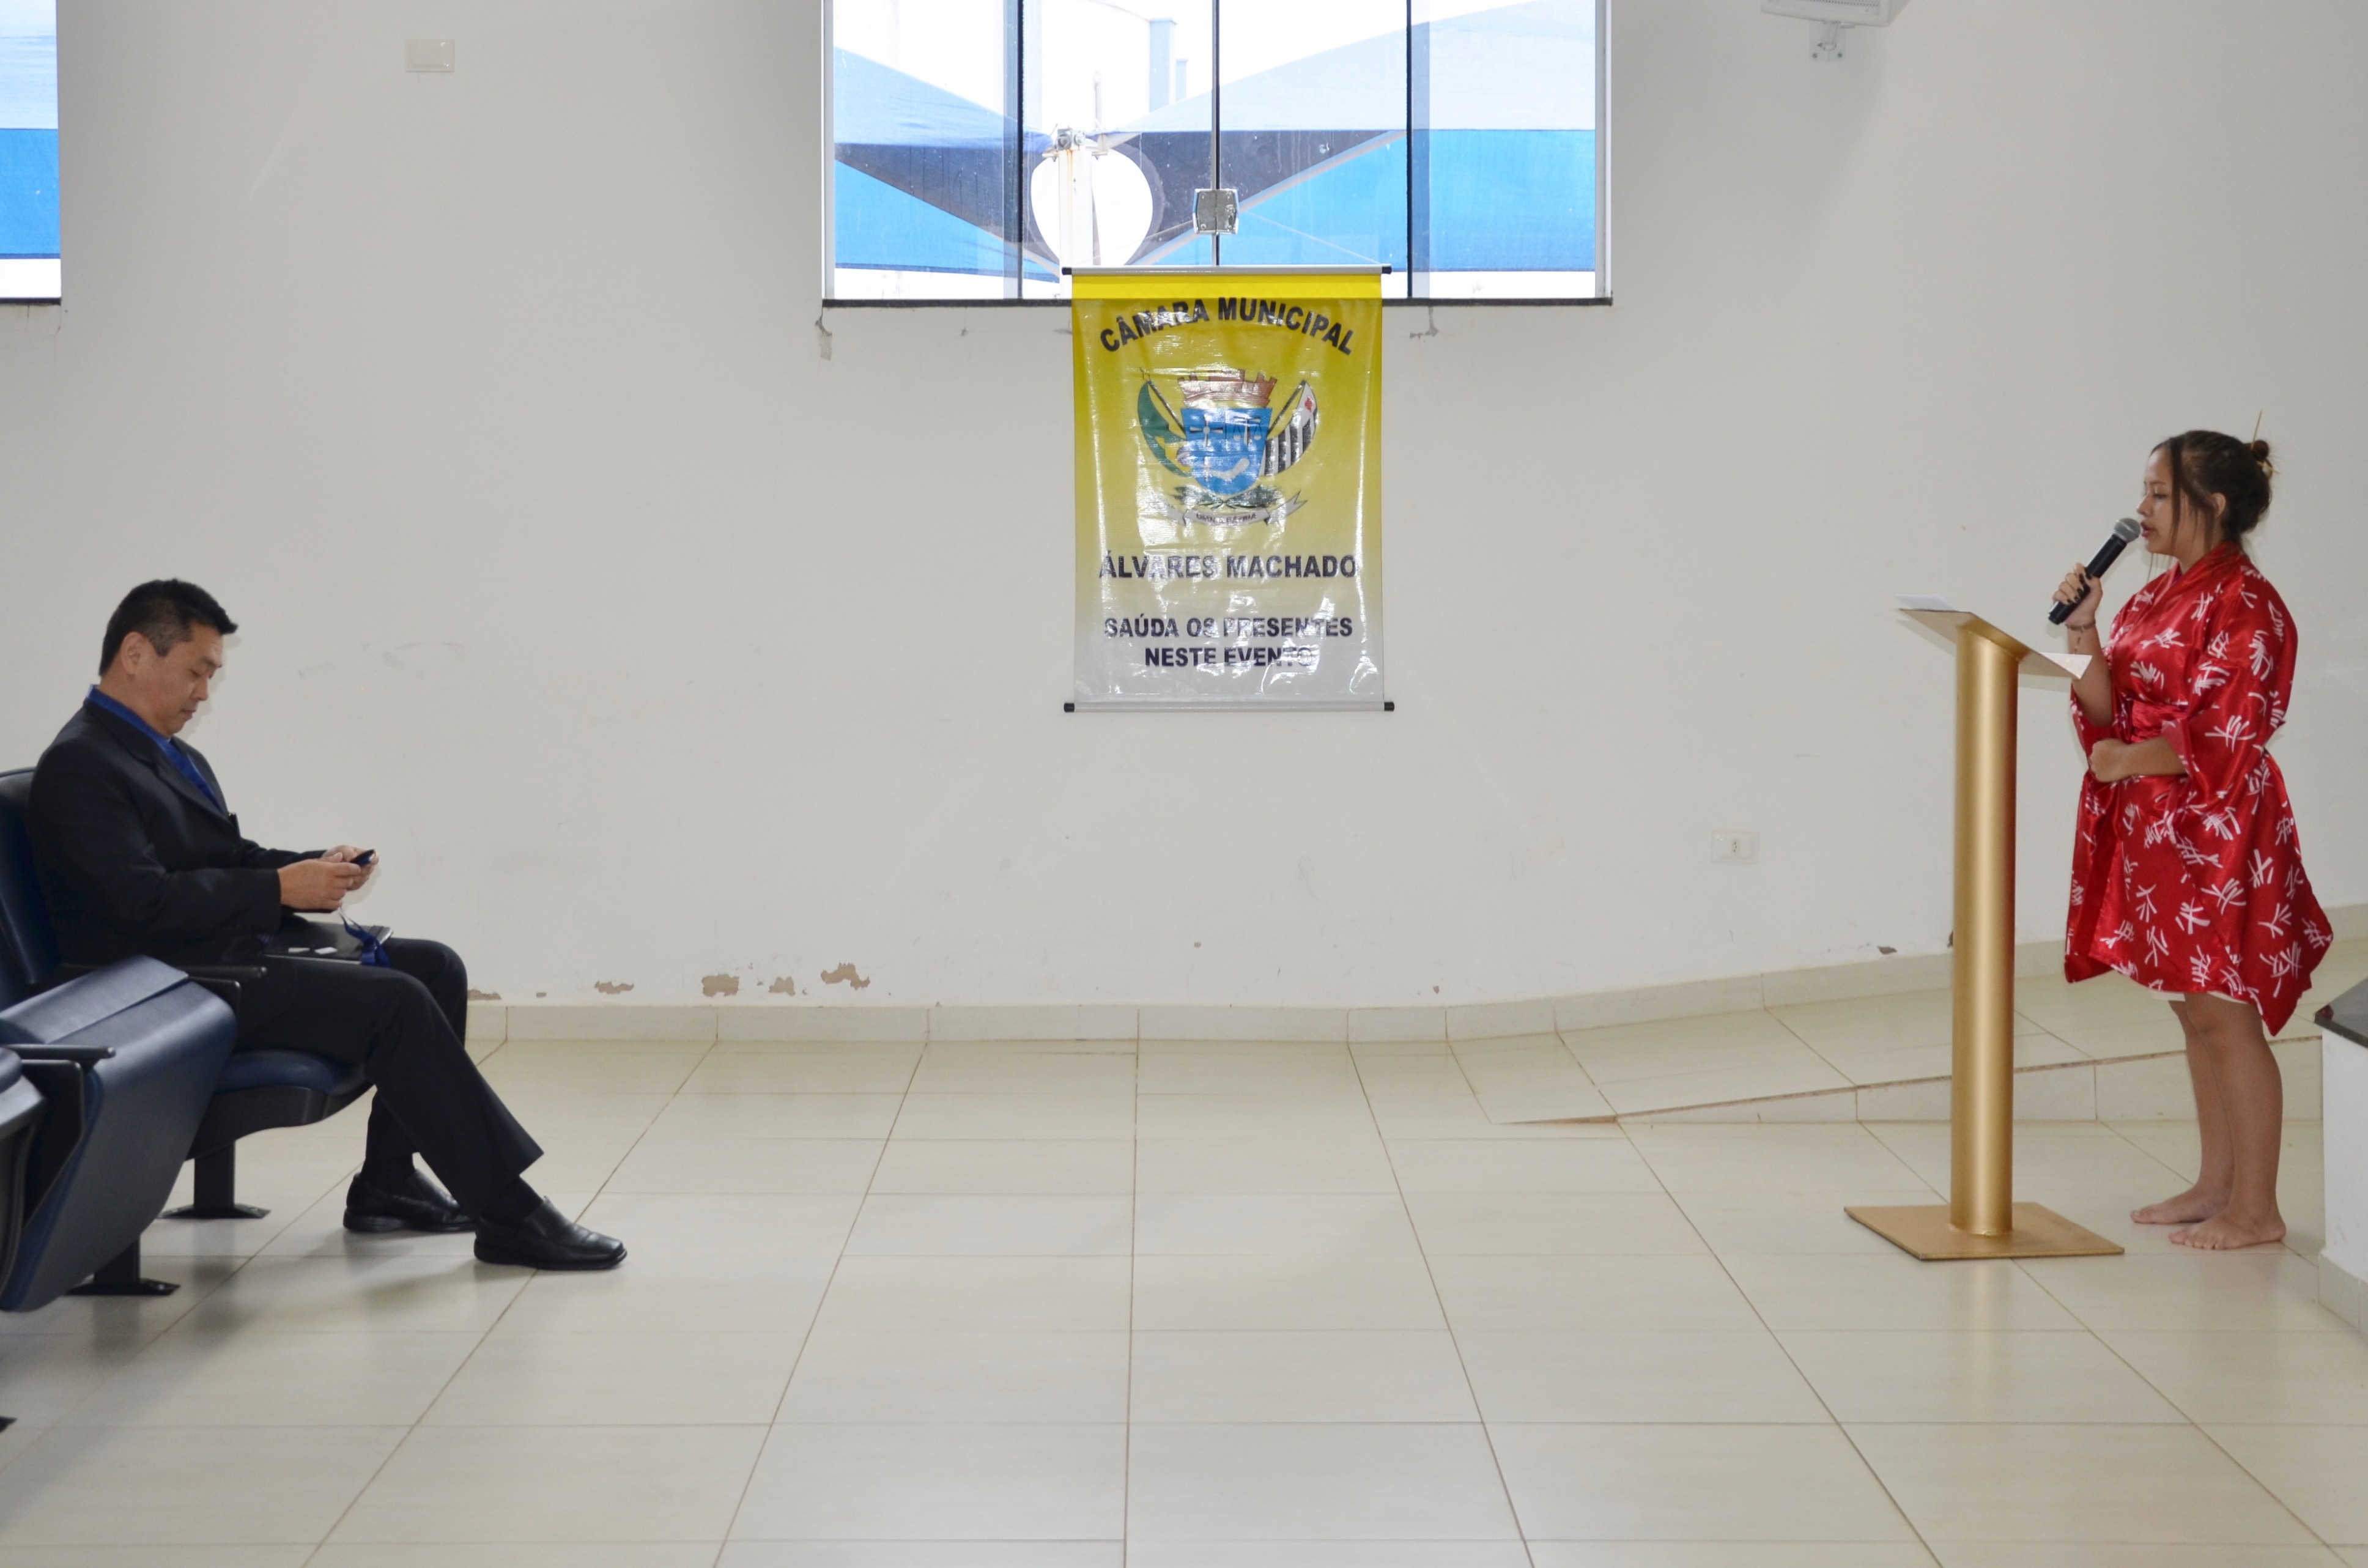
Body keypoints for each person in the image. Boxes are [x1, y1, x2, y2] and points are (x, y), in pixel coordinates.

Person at [27, 580, 624, 1271]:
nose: (203, 694)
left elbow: (228, 858)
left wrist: (310, 869)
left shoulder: (166, 753)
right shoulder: (81, 764)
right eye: (196, 671)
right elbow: (140, 904)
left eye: (210, 676)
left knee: (435, 966)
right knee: (396, 1002)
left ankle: (388, 1183)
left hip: (212, 959)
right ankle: (509, 1212)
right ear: (135, 654)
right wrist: (279, 888)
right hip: (161, 988)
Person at [2054, 432, 2331, 1249]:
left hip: (2217, 833)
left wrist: (2125, 759)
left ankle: (2258, 1208)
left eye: (2159, 494)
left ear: (2211, 505)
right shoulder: (2153, 595)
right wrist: (2083, 632)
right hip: (2159, 835)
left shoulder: (2248, 604)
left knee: (2226, 1017)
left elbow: (2228, 729)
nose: (2140, 510)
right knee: (2193, 1013)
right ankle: (2218, 1185)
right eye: (2143, 493)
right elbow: (2109, 707)